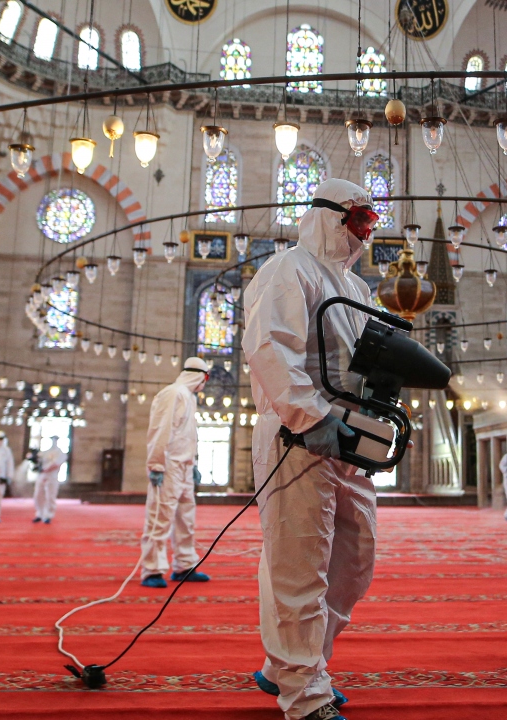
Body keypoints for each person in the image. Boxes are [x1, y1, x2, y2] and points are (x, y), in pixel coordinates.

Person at [241, 178, 381, 720]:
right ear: (329, 217)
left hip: (348, 440)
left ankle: (294, 665)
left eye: (370, 224)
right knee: (299, 560)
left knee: (353, 558)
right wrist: (311, 415)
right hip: (296, 436)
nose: (365, 234)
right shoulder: (287, 270)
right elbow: (270, 347)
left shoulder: (357, 288)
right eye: (359, 221)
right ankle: (305, 694)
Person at [140, 357, 212, 589]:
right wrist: (157, 464)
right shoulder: (173, 394)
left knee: (185, 518)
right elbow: (161, 430)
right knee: (160, 517)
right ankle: (152, 570)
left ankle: (185, 565)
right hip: (169, 466)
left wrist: (194, 465)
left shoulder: (189, 397)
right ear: (201, 376)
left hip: (184, 467)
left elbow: (186, 436)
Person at [33, 436, 66, 524]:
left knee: (50, 496)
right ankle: (39, 513)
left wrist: (45, 469)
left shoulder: (61, 453)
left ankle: (48, 515)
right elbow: (38, 460)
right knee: (38, 495)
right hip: (42, 475)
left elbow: (56, 464)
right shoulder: (45, 452)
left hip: (52, 476)